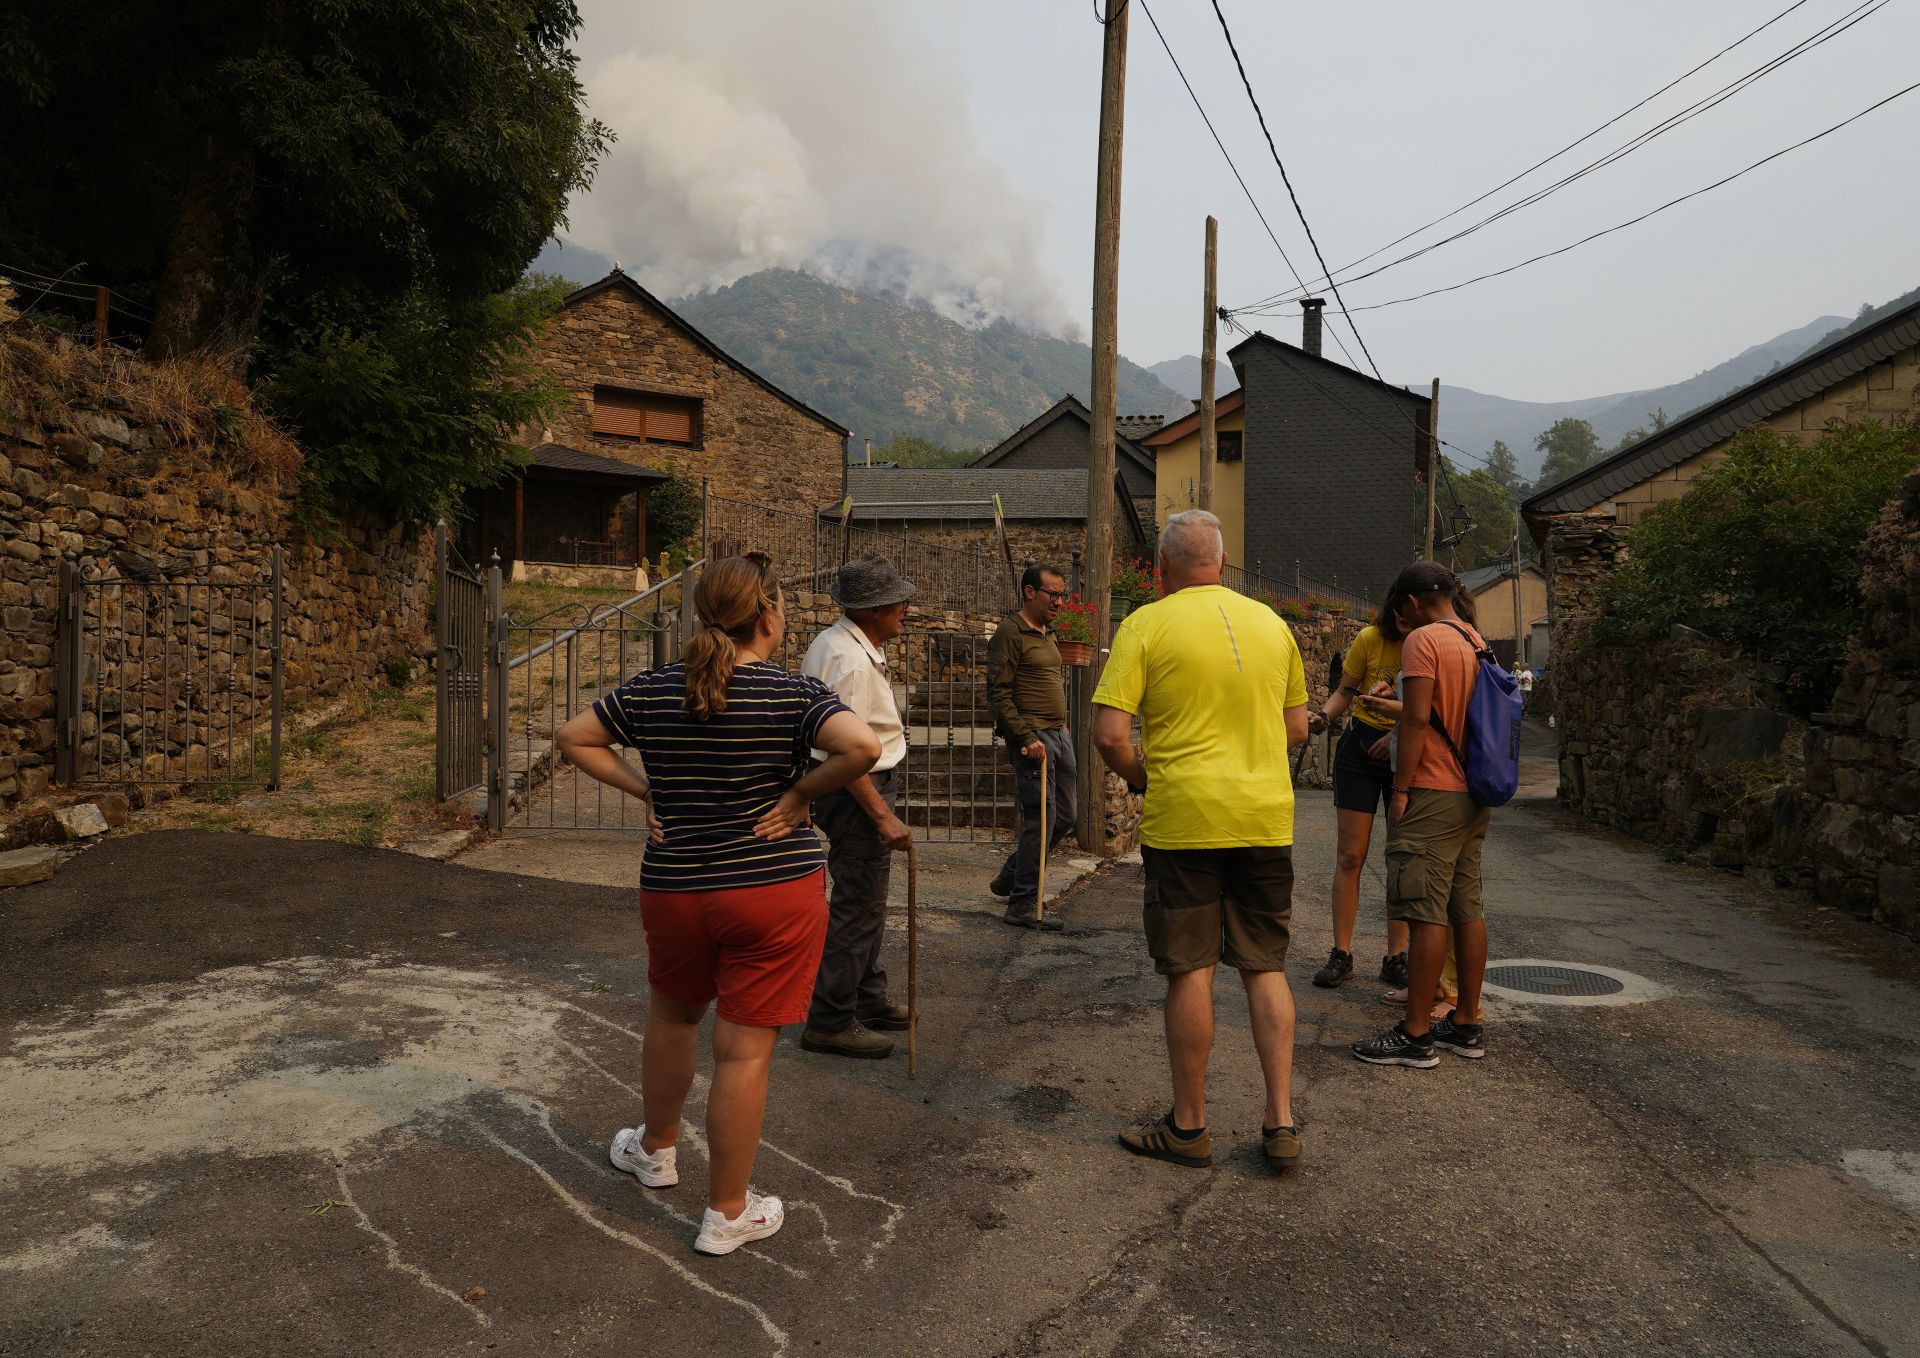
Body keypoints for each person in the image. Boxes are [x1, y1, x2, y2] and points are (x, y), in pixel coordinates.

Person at [554, 553, 881, 1256]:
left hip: (676, 887)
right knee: (741, 1055)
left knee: (673, 1015)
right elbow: (861, 746)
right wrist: (798, 797)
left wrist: (647, 792)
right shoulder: (792, 695)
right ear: (768, 615)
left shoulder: (654, 689)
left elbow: (573, 737)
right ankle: (727, 1213)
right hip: (772, 893)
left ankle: (656, 1151)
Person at [1092, 510, 1311, 1173]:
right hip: (1264, 819)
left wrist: (1143, 779)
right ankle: (1279, 1122)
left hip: (1185, 820)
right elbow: (1298, 728)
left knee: (1190, 969)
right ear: (1221, 562)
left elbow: (1109, 736)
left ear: (1161, 569)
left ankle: (1189, 1129)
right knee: (1264, 966)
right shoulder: (1273, 626)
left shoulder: (1145, 626)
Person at [1352, 561, 1494, 1070]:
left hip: (1433, 789)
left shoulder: (1425, 641)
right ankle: (1466, 1022)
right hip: (1472, 791)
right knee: (1465, 906)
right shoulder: (1474, 638)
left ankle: (1415, 1035)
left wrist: (1401, 789)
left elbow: (1416, 718)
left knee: (1423, 909)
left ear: (1410, 604)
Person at [798, 556, 916, 1060]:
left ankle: (865, 997)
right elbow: (843, 754)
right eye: (898, 604)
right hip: (856, 794)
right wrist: (882, 814)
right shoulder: (847, 659)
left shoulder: (841, 644)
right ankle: (829, 1018)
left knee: (865, 900)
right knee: (859, 906)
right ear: (876, 611)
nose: (905, 611)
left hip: (851, 790)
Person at [1306, 605, 1407, 992]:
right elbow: (1346, 691)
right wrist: (1324, 717)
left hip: (1405, 749)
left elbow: (1430, 707)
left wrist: (1397, 738)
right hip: (1360, 747)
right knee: (1350, 855)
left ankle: (1396, 957)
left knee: (1400, 856)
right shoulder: (1369, 639)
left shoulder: (1426, 643)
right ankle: (1341, 954)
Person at [986, 563, 1077, 931]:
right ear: (1029, 592)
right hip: (1033, 739)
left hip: (1059, 735)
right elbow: (998, 693)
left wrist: (1063, 728)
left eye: (1061, 595)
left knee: (1067, 816)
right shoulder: (1010, 632)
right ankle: (1022, 903)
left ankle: (1010, 875)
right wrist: (1025, 737)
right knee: (1041, 820)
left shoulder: (1047, 633)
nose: (1059, 601)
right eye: (1052, 594)